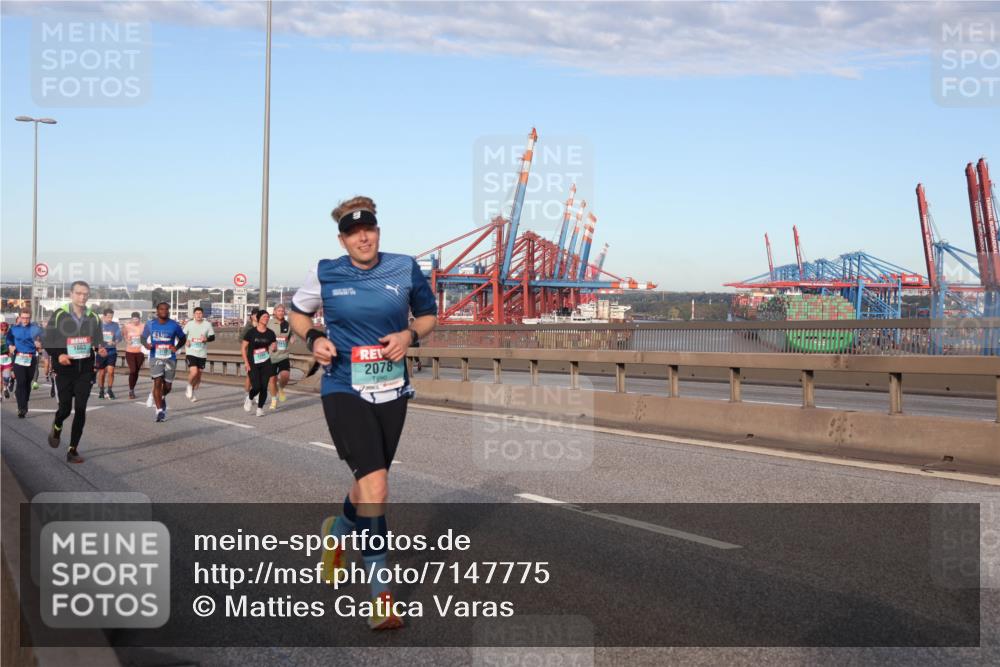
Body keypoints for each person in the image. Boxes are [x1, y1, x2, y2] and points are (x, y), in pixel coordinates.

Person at [289, 196, 436, 630]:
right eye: (353, 233)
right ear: (343, 239)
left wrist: (409, 334)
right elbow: (298, 315)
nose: (363, 237)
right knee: (378, 485)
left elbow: (428, 316)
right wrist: (314, 337)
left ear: (377, 231)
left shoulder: (405, 268)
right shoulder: (325, 271)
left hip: (391, 388)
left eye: (368, 229)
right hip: (343, 386)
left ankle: (337, 532)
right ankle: (381, 597)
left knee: (368, 485)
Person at [44, 281, 108, 464]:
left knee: (80, 409)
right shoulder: (59, 314)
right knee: (64, 409)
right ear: (71, 294)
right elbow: (48, 341)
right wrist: (59, 354)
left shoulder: (93, 317)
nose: (83, 297)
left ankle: (72, 450)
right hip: (64, 370)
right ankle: (57, 426)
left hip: (84, 371)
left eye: (86, 294)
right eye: (79, 293)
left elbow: (97, 340)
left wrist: (100, 348)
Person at [142, 302, 186, 423]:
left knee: (168, 386)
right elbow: (142, 337)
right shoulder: (150, 324)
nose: (164, 311)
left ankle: (156, 395)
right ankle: (160, 411)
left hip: (170, 357)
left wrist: (176, 348)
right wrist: (147, 345)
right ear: (157, 311)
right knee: (157, 381)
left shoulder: (174, 325)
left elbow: (183, 338)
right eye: (162, 309)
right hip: (155, 357)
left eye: (167, 309)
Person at [6, 308, 45, 418]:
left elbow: (45, 338)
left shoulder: (36, 328)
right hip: (19, 358)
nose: (25, 320)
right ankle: (21, 408)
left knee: (27, 383)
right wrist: (10, 345)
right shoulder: (14, 329)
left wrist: (40, 344)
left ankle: (24, 402)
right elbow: (9, 339)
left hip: (31, 358)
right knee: (21, 382)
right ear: (20, 317)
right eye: (23, 318)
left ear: (30, 318)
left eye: (27, 318)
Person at [241, 309, 277, 417]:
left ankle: (260, 409)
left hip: (266, 362)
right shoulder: (251, 332)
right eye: (264, 317)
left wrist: (274, 348)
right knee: (256, 386)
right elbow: (243, 348)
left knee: (264, 387)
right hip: (253, 363)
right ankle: (250, 397)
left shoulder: (270, 333)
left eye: (267, 317)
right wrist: (246, 363)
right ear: (258, 318)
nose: (266, 319)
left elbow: (274, 347)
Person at [183, 306, 216, 402]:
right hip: (191, 351)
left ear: (203, 315)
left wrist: (206, 339)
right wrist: (186, 341)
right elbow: (182, 335)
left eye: (200, 313)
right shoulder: (189, 324)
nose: (198, 315)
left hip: (202, 353)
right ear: (194, 315)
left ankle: (192, 391)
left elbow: (212, 337)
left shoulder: (207, 325)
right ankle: (189, 386)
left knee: (198, 377)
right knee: (194, 372)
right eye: (196, 313)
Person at [267, 303, 293, 409]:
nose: (281, 312)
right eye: (279, 311)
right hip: (271, 356)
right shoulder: (269, 323)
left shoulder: (288, 324)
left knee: (285, 375)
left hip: (283, 355)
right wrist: (270, 343)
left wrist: (291, 338)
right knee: (272, 379)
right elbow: (263, 335)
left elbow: (291, 335)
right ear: (274, 312)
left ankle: (281, 388)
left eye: (282, 311)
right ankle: (273, 400)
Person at [95, 309, 122, 400]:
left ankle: (109, 390)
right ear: (104, 316)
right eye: (108, 317)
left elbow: (119, 337)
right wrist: (98, 346)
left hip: (111, 352)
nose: (110, 319)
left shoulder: (115, 325)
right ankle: (101, 390)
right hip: (101, 352)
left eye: (111, 317)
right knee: (102, 373)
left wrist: (114, 342)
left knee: (111, 371)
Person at [122, 312, 146, 400]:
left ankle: (132, 388)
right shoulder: (127, 326)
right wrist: (126, 340)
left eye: (137, 319)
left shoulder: (143, 326)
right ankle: (131, 390)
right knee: (133, 370)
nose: (135, 321)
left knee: (136, 372)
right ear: (131, 319)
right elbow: (123, 334)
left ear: (139, 319)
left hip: (140, 352)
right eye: (134, 319)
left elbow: (147, 336)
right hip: (130, 352)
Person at [240, 309, 259, 394]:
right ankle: (247, 394)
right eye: (255, 315)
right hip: (250, 354)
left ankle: (256, 395)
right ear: (251, 316)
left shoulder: (262, 326)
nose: (257, 316)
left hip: (261, 354)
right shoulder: (248, 327)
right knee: (250, 376)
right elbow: (240, 339)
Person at [0, 321, 13, 400]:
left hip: (7, 359)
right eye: (2, 329)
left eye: (6, 329)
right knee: (0, 379)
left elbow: (12, 348)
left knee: (6, 377)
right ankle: (0, 395)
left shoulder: (10, 337)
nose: (4, 331)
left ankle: (5, 388)